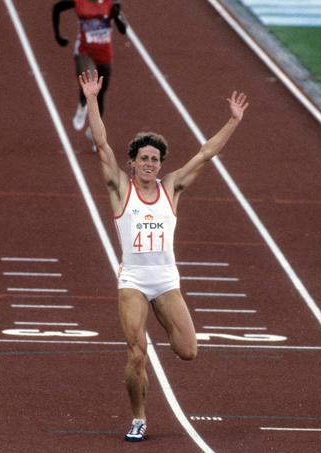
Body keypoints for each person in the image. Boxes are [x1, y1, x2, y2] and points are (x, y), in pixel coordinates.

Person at [79, 69, 248, 441]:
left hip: (166, 281)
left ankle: (158, 317)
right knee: (136, 353)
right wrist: (92, 99)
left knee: (188, 351)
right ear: (133, 162)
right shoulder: (121, 189)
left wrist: (232, 122)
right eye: (144, 158)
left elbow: (206, 154)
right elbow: (103, 146)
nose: (150, 164)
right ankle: (139, 418)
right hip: (134, 282)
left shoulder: (172, 187)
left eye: (156, 158)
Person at [52, 0, 127, 147]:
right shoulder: (79, 2)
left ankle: (94, 134)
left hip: (104, 54)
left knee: (101, 94)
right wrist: (58, 35)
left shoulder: (110, 4)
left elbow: (123, 30)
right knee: (91, 86)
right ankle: (82, 105)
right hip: (84, 52)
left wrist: (117, 15)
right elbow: (57, 8)